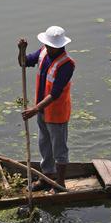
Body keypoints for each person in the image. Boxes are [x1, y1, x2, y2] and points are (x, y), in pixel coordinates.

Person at [18, 25, 75, 190]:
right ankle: (46, 177)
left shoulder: (67, 64)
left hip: (57, 113)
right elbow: (24, 62)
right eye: (48, 45)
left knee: (59, 148)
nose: (49, 48)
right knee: (44, 145)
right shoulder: (43, 52)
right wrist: (22, 50)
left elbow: (55, 93)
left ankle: (60, 183)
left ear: (60, 46)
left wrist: (34, 109)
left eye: (52, 46)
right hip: (43, 110)